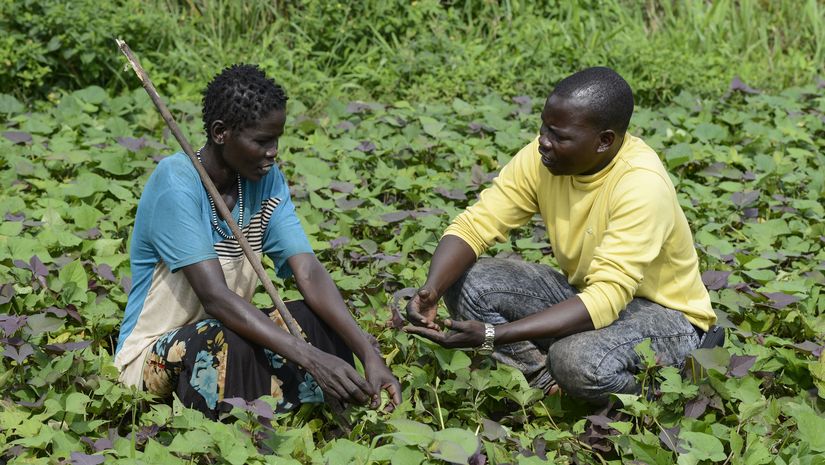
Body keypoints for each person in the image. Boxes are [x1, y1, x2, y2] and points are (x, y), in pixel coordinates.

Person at [404, 67, 715, 404]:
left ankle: (670, 392)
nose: (543, 142)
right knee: (468, 281)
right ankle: (543, 378)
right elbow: (475, 225)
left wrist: (494, 335)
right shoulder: (544, 159)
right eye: (544, 127)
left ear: (604, 141)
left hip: (668, 316)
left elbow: (608, 297)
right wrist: (432, 290)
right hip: (587, 294)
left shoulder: (641, 185)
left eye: (560, 136)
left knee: (576, 360)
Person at [114, 64, 401, 419]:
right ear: (221, 133)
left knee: (316, 318)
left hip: (228, 330)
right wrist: (311, 358)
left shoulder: (265, 180)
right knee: (216, 340)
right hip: (156, 354)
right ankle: (226, 426)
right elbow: (216, 299)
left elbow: (308, 272)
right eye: (261, 141)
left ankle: (325, 402)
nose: (273, 152)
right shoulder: (177, 183)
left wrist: (368, 353)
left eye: (276, 139)